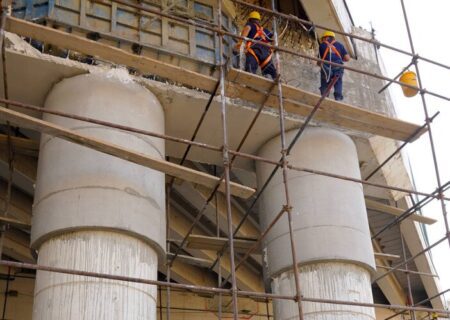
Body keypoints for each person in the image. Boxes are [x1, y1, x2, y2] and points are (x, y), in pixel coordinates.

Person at [235, 11, 277, 79]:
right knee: (271, 73)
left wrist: (239, 44)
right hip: (266, 52)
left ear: (249, 19)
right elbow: (274, 39)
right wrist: (272, 49)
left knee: (250, 71)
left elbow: (247, 29)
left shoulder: (250, 25)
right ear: (258, 20)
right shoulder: (265, 30)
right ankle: (274, 81)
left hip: (254, 50)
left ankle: (249, 83)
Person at [317, 31, 351, 101]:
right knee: (338, 80)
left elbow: (319, 61)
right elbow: (347, 58)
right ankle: (338, 97)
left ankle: (324, 96)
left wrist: (320, 65)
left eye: (323, 39)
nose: (323, 40)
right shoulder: (340, 45)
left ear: (326, 37)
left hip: (326, 65)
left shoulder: (321, 45)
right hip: (338, 65)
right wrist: (340, 58)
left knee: (325, 80)